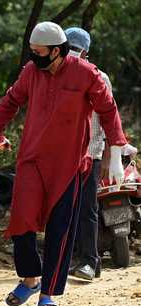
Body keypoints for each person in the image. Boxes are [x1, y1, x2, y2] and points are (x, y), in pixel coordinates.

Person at [0, 22, 127, 306]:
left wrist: (115, 153)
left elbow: (108, 110)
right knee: (21, 224)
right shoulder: (31, 72)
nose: (34, 58)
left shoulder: (86, 73)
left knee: (59, 230)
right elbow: (11, 100)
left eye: (39, 52)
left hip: (69, 165)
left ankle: (48, 293)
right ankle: (30, 278)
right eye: (31, 52)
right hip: (32, 161)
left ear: (57, 51)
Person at [66, 27, 138, 281]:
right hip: (60, 155)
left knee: (87, 208)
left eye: (76, 49)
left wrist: (112, 154)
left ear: (85, 52)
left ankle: (89, 262)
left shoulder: (98, 77)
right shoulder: (53, 74)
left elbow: (110, 117)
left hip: (91, 153)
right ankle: (69, 260)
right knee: (65, 209)